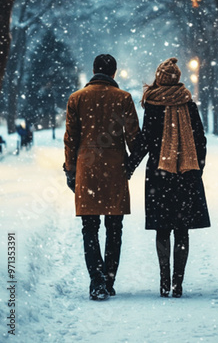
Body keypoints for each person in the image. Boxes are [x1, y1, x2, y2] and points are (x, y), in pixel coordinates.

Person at [126, 57, 210, 298]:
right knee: (182, 228)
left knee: (163, 229)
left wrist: (129, 166)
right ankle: (178, 283)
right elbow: (200, 140)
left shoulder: (153, 104)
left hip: (159, 174)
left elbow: (145, 141)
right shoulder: (188, 103)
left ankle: (164, 282)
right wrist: (196, 168)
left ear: (159, 78)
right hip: (186, 174)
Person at [64, 54, 140, 301]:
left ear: (94, 70)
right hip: (115, 170)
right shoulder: (124, 99)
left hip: (87, 171)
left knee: (89, 228)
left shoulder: (76, 99)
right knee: (114, 228)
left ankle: (96, 281)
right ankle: (108, 280)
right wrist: (128, 166)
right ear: (114, 73)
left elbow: (70, 140)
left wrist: (70, 169)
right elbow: (136, 140)